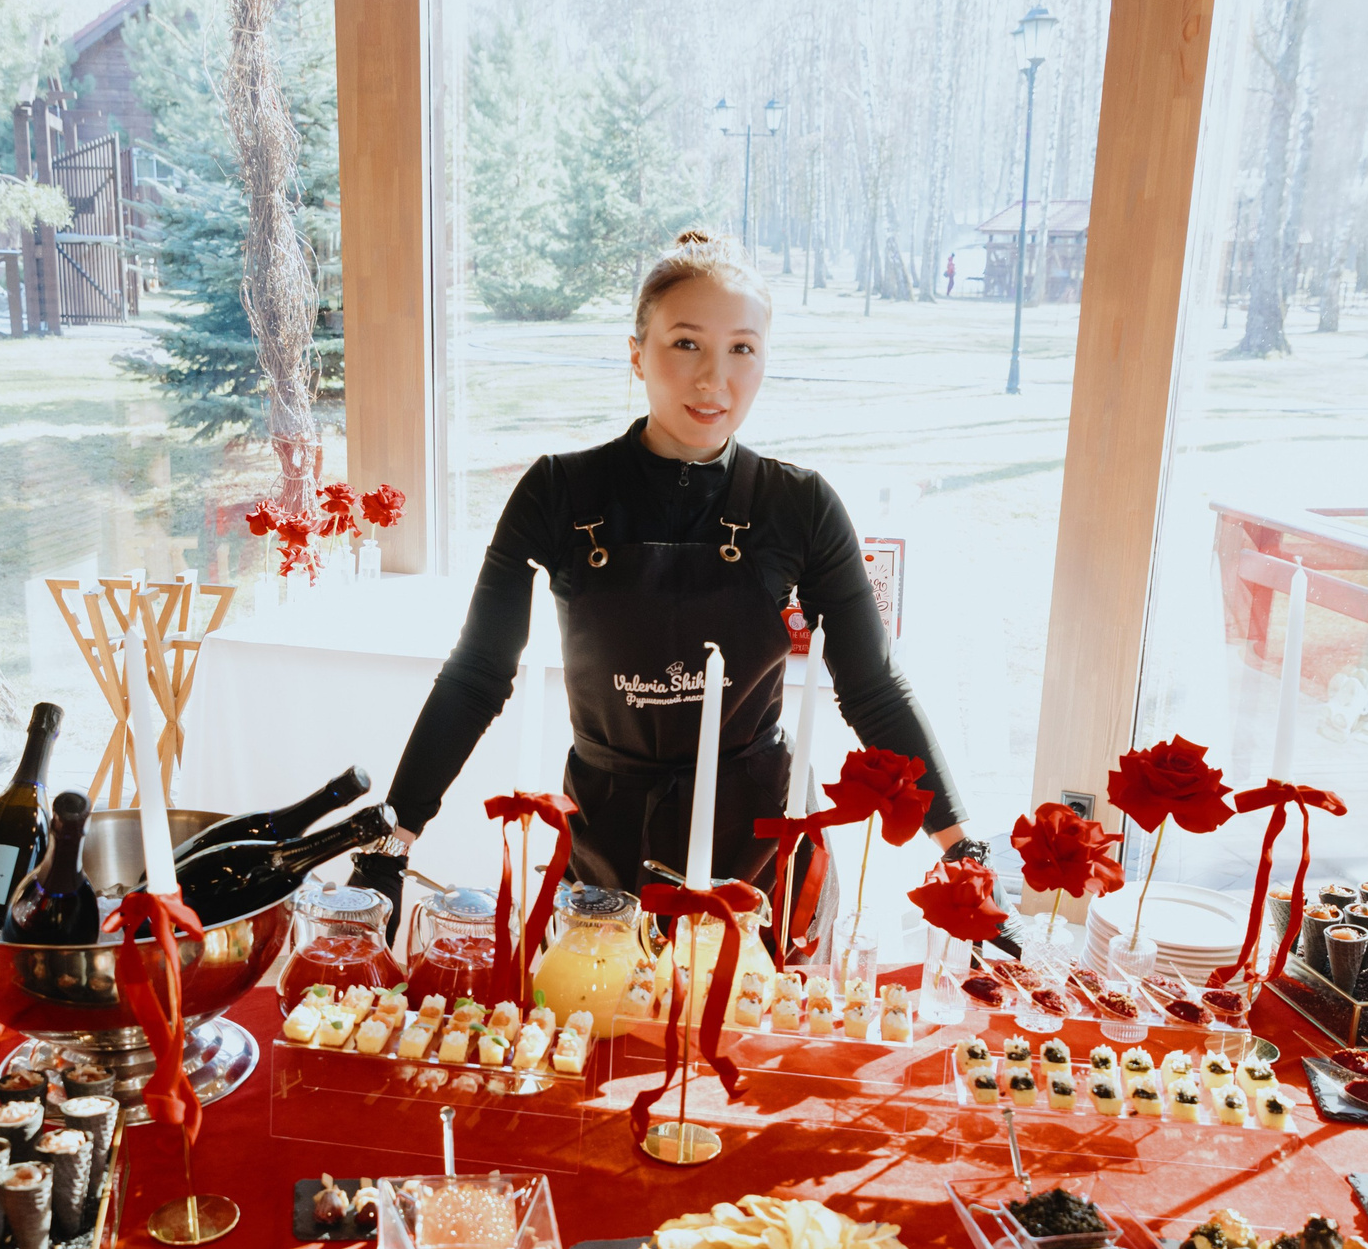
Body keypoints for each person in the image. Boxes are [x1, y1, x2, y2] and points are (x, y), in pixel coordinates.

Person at [352, 228, 981, 918]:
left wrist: (961, 848)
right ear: (636, 355)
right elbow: (476, 675)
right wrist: (392, 840)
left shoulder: (799, 505)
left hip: (762, 851)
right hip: (604, 838)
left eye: (741, 348)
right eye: (686, 344)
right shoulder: (559, 492)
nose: (715, 379)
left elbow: (873, 689)